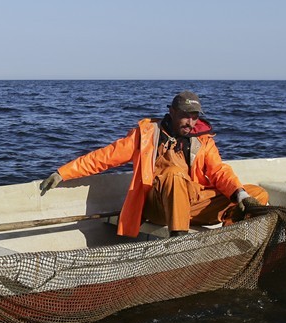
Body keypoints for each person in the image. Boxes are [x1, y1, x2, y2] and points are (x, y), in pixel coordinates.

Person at [39, 91, 268, 237]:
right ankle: (177, 241)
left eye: (195, 116)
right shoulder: (147, 135)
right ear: (171, 112)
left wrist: (240, 194)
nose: (190, 122)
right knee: (174, 174)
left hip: (191, 202)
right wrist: (63, 173)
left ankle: (226, 238)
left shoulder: (203, 140)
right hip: (158, 206)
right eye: (185, 115)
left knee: (257, 195)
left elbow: (218, 171)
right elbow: (104, 157)